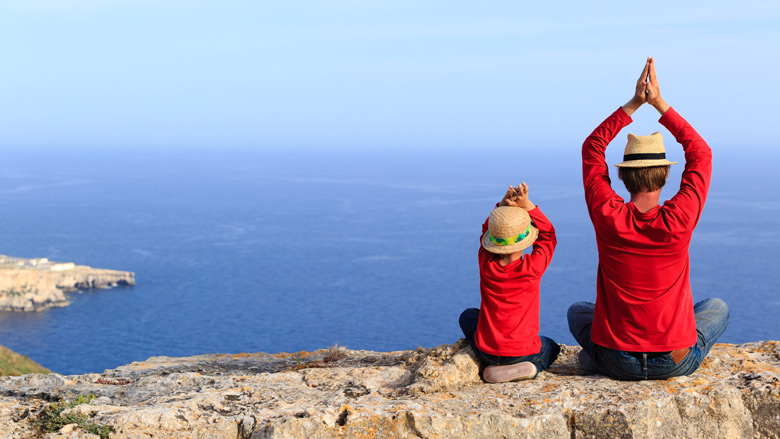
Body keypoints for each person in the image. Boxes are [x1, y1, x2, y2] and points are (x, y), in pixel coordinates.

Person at [567, 58, 729, 380]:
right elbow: (701, 153)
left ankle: (598, 356)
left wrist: (633, 104)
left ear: (623, 177)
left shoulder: (608, 216)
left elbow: (592, 148)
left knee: (577, 311)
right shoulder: (679, 219)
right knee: (717, 308)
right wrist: (658, 104)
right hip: (673, 360)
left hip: (617, 361)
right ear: (667, 173)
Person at [459, 183, 560, 383]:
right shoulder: (532, 269)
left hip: (487, 351)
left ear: (491, 241)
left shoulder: (486, 264)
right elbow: (548, 236)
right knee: (551, 347)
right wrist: (528, 206)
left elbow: (486, 230)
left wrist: (502, 207)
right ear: (526, 240)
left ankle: (493, 367)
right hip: (523, 352)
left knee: (468, 316)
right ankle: (532, 366)